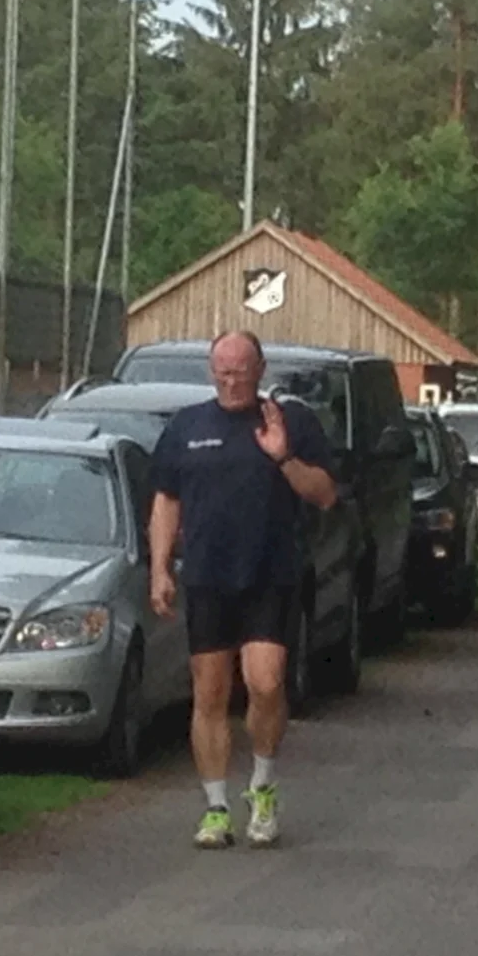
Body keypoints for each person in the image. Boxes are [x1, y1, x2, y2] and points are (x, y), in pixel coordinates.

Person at [148, 331, 337, 849]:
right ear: (211, 372)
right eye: (222, 370)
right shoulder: (187, 427)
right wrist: (160, 569)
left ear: (260, 370)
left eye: (241, 370)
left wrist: (282, 458)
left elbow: (323, 495)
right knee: (209, 693)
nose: (231, 380)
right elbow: (166, 502)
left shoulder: (290, 423)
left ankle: (263, 783)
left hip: (271, 574)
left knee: (266, 682)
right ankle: (215, 808)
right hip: (208, 576)